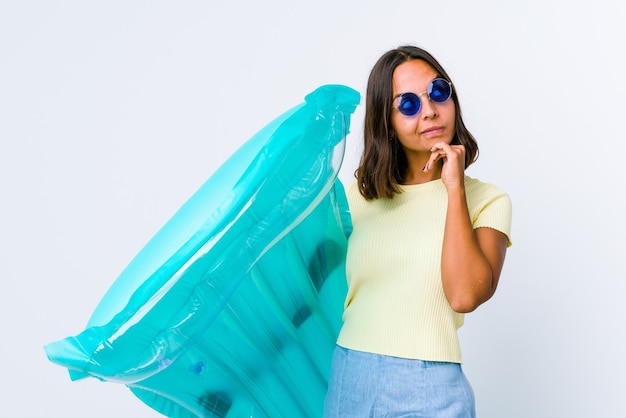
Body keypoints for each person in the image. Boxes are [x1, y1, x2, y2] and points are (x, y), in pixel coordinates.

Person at [323, 45, 512, 417]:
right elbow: (304, 287)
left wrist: (454, 188)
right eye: (407, 104)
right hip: (349, 380)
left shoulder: (487, 200)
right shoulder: (357, 199)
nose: (429, 110)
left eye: (438, 92)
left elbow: (464, 296)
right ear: (386, 122)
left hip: (428, 390)